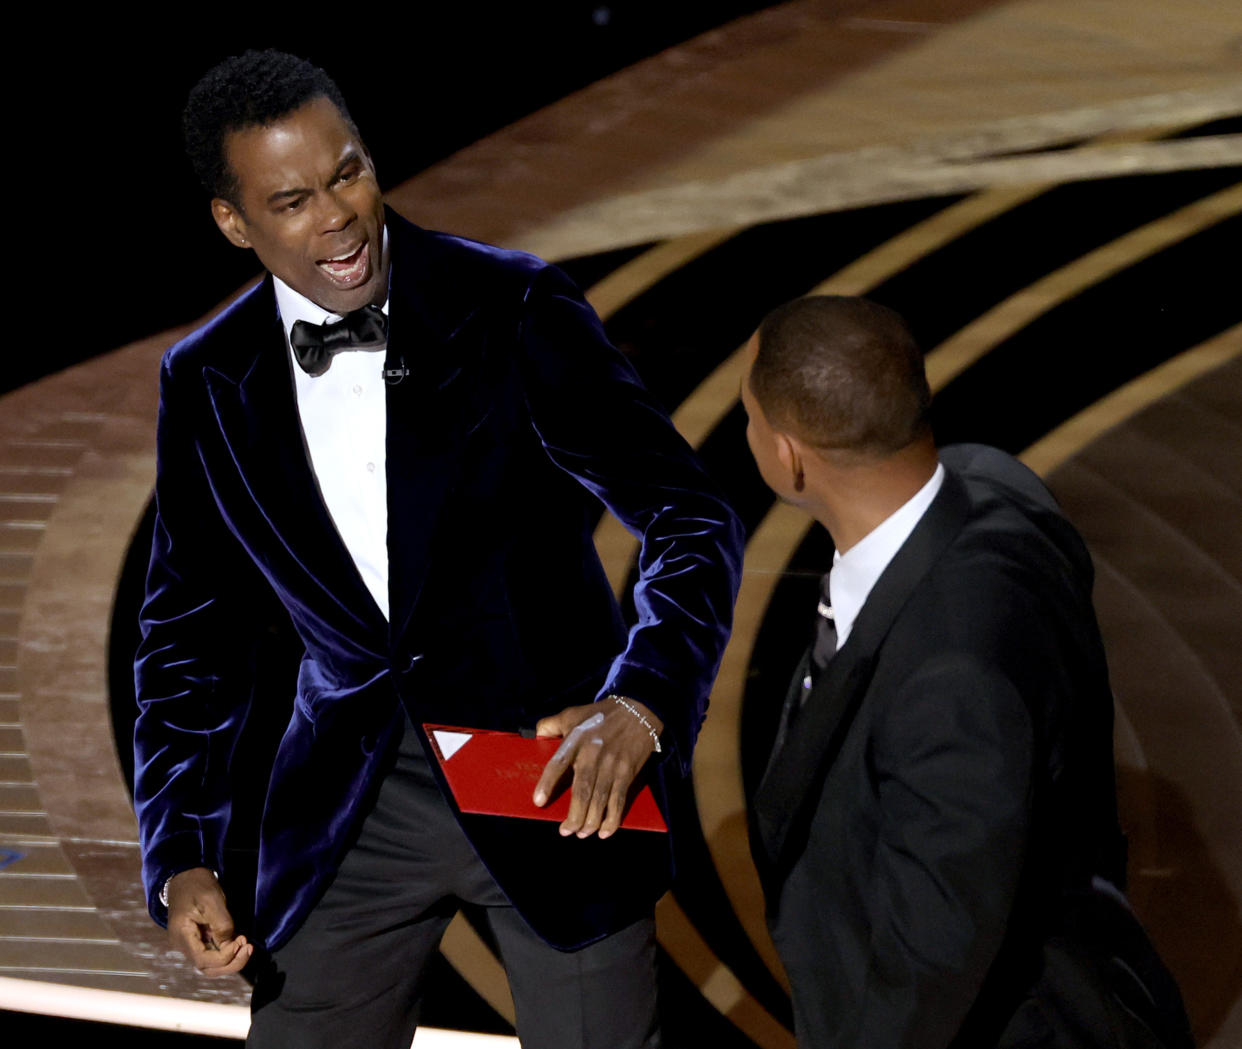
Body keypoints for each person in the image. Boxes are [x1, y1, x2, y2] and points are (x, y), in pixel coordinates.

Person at [133, 50, 744, 1049]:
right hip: (349, 809)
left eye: (349, 172)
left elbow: (691, 514)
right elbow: (185, 639)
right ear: (234, 222)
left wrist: (645, 699)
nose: (338, 214)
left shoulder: (511, 308)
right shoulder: (207, 378)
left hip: (552, 784)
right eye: (293, 199)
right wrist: (182, 849)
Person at [741, 296, 1192, 1048]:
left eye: (750, 419)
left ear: (790, 457)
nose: (748, 434)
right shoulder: (996, 483)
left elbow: (937, 955)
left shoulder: (949, 683)